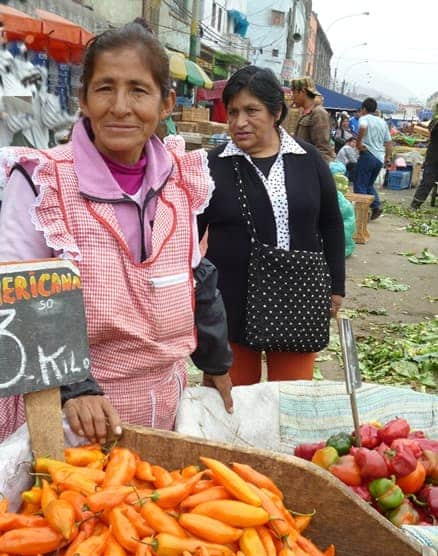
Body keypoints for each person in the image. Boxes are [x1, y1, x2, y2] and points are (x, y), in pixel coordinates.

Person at [0, 19, 233, 444]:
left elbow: (194, 276)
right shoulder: (42, 181)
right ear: (83, 99)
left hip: (162, 403)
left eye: (139, 90)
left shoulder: (181, 178)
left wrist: (216, 363)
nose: (120, 106)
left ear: (166, 103)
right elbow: (18, 300)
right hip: (66, 417)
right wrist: (76, 387)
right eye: (105, 88)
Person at [199, 66, 345, 386]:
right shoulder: (211, 165)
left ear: (276, 112)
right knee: (232, 405)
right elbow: (187, 235)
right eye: (233, 111)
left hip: (298, 298)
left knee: (290, 402)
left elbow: (331, 224)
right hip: (230, 301)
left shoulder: (308, 161)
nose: (239, 122)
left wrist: (335, 288)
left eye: (252, 110)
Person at [354, 97, 393, 220]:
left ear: (364, 109)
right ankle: (376, 206)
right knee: (369, 184)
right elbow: (388, 142)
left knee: (360, 184)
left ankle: (362, 214)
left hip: (368, 155)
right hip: (379, 158)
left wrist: (358, 143)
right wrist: (388, 158)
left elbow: (363, 127)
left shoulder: (364, 118)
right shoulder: (382, 122)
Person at [291, 77, 335, 163]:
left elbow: (323, 150)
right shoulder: (303, 113)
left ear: (303, 91)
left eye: (294, 93)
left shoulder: (319, 113)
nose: (292, 97)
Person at [410, 103, 438, 210]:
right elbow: (431, 128)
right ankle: (415, 205)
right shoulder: (435, 121)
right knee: (427, 181)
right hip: (433, 157)